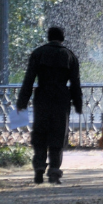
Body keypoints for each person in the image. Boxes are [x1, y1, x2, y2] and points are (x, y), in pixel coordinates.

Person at [16, 26, 82, 185]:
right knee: (58, 135)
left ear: (48, 37)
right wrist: (78, 104)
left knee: (40, 133)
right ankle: (54, 172)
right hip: (61, 99)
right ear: (62, 38)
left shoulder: (38, 53)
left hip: (42, 97)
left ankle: (39, 166)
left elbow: (29, 79)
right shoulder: (69, 55)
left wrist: (22, 101)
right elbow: (75, 83)